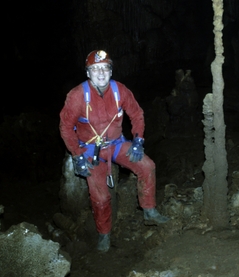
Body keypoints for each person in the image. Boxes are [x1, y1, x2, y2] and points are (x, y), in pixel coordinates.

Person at [59, 50, 169, 252]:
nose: (101, 73)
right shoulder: (77, 96)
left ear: (111, 71)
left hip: (116, 144)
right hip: (90, 150)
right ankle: (104, 234)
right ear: (88, 73)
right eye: (95, 69)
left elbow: (137, 114)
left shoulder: (120, 90)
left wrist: (138, 140)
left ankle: (149, 210)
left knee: (147, 166)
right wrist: (77, 155)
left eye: (105, 68)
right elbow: (65, 127)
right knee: (101, 197)